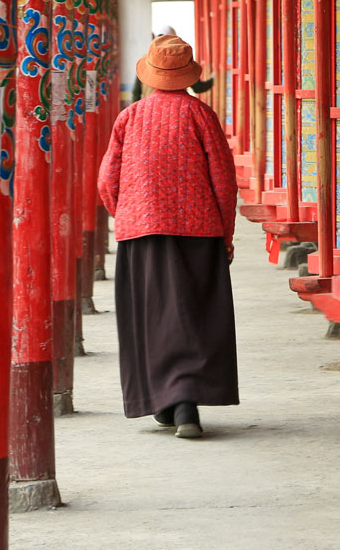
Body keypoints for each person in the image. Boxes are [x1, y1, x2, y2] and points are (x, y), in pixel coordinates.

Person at [97, 34, 240, 438]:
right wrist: (225, 234)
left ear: (151, 74)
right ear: (188, 76)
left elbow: (108, 181)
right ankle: (184, 405)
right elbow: (224, 182)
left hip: (141, 231)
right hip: (199, 231)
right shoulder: (201, 115)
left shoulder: (130, 117)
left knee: (153, 317)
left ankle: (167, 400)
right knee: (196, 315)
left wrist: (126, 213)